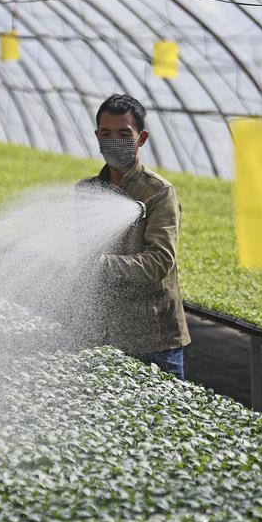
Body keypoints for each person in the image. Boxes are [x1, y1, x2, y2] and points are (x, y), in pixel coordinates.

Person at [76, 94, 191, 379]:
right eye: (107, 133)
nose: (114, 140)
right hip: (103, 334)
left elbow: (159, 261)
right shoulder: (86, 191)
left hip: (153, 338)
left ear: (141, 138)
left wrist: (102, 265)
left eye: (124, 134)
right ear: (97, 136)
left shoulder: (158, 192)